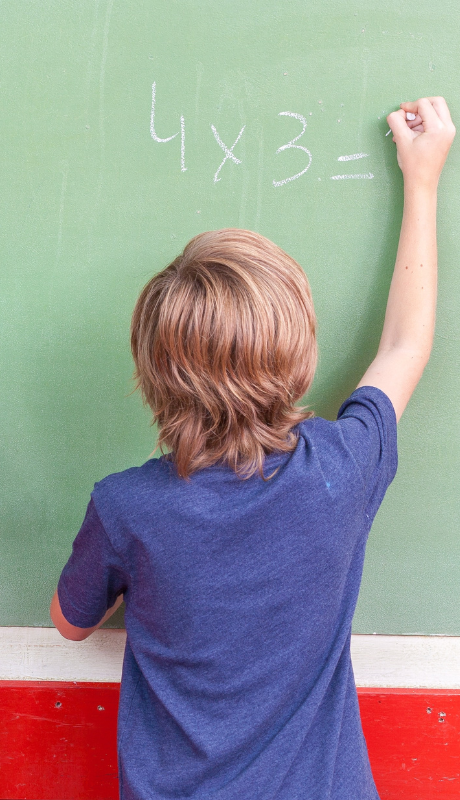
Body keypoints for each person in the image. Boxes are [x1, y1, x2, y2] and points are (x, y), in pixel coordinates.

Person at [50, 98, 454, 799]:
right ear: (299, 354)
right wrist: (423, 180)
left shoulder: (127, 508)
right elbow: (405, 344)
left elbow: (69, 623)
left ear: (151, 373)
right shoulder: (340, 469)